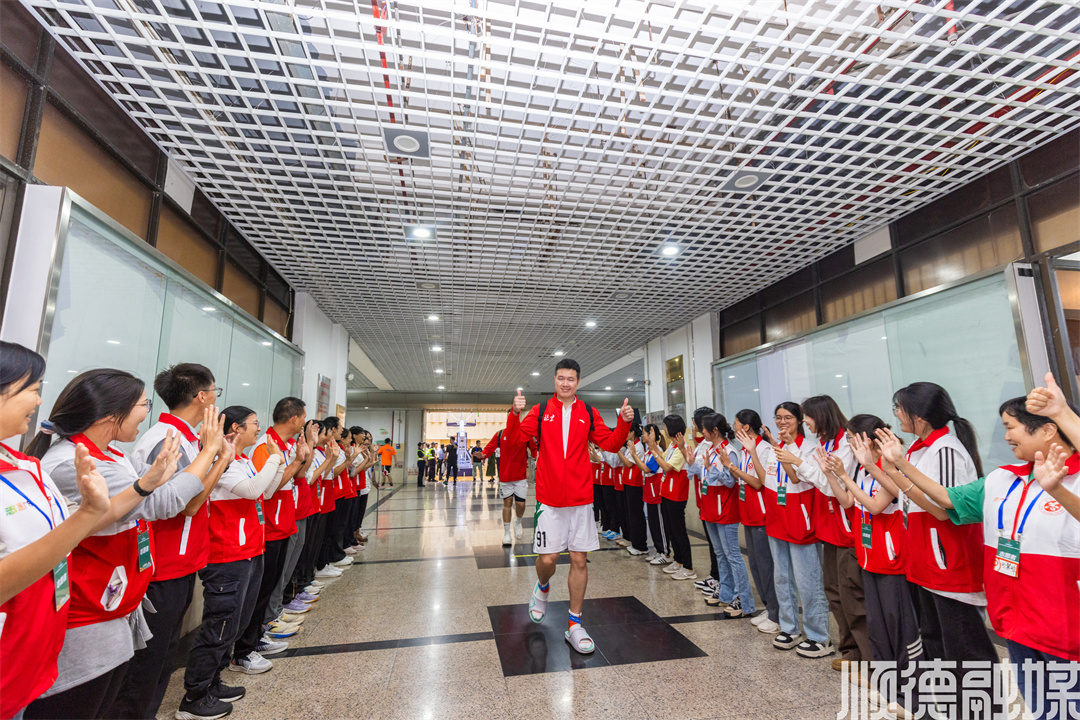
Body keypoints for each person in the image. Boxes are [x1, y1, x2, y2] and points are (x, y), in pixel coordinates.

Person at [25, 370, 223, 720]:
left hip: (118, 597)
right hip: (89, 608)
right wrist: (210, 453)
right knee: (101, 700)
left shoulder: (113, 454)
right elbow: (162, 502)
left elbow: (156, 492)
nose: (146, 411)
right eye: (142, 404)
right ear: (110, 414)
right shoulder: (75, 463)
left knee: (123, 690)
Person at [884, 384, 1079, 719]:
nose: (1005, 437)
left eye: (1010, 426)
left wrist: (1057, 486)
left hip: (1065, 629)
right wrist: (897, 467)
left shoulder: (1070, 482)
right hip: (1016, 622)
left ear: (1047, 429)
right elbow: (945, 500)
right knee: (1041, 708)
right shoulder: (1002, 479)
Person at [109, 364, 232, 720]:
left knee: (164, 656)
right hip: (162, 565)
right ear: (202, 397)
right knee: (148, 663)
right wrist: (218, 459)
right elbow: (188, 504)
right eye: (215, 393)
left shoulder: (190, 439)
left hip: (182, 560)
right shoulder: (165, 439)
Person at [0, 342, 113, 720]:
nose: (37, 401)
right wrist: (88, 514)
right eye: (30, 390)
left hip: (31, 655)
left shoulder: (25, 465)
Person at [505, 358, 633, 654]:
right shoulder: (539, 412)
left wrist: (625, 421)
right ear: (554, 380)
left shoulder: (588, 412)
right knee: (548, 560)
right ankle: (543, 587)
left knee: (578, 560)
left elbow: (611, 444)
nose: (566, 383)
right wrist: (515, 413)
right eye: (561, 378)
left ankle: (574, 624)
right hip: (550, 500)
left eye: (571, 379)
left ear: (578, 382)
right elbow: (513, 440)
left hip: (580, 499)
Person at [177, 406, 284, 720]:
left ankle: (214, 681)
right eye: (253, 424)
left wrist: (275, 464)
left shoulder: (240, 461)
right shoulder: (219, 462)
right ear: (235, 428)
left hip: (249, 550)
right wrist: (276, 459)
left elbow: (265, 490)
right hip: (226, 556)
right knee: (220, 624)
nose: (257, 429)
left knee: (234, 623)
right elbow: (252, 490)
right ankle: (194, 696)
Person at [885, 382, 997, 671]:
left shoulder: (945, 449)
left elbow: (945, 510)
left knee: (965, 651)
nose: (896, 414)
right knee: (935, 644)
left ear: (918, 417)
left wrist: (900, 469)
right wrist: (886, 469)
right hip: (926, 564)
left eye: (899, 408)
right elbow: (912, 498)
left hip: (949, 566)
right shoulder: (916, 450)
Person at [823, 414, 922, 714]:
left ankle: (910, 694)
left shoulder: (889, 465)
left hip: (892, 561)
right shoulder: (866, 469)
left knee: (900, 630)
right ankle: (887, 686)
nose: (848, 445)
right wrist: (832, 474)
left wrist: (853, 473)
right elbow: (849, 503)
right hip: (869, 556)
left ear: (866, 440)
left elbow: (877, 505)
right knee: (877, 627)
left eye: (852, 439)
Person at [795, 395, 871, 670]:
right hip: (829, 528)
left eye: (807, 416)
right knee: (834, 592)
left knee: (852, 596)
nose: (805, 422)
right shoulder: (824, 443)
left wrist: (800, 462)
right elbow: (809, 476)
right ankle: (851, 651)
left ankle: (867, 656)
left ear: (822, 415)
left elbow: (832, 488)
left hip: (847, 530)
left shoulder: (846, 445)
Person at [753, 401, 832, 658]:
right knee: (782, 577)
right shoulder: (778, 448)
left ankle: (819, 635)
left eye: (788, 417)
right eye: (778, 417)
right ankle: (789, 627)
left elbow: (797, 478)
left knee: (808, 581)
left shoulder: (809, 449)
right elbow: (768, 482)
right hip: (777, 519)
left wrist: (785, 449)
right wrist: (770, 450)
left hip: (800, 521)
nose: (782, 422)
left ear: (799, 420)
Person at [696, 413, 755, 618]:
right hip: (711, 505)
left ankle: (744, 600)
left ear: (715, 431)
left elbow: (731, 481)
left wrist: (715, 469)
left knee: (733, 556)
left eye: (705, 429)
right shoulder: (711, 449)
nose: (702, 432)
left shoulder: (729, 451)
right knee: (720, 554)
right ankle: (727, 592)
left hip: (726, 508)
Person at [730, 410, 781, 634]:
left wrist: (733, 468)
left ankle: (776, 614)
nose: (733, 427)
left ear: (747, 428)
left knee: (766, 566)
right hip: (748, 514)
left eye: (736, 423)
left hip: (762, 516)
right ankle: (769, 608)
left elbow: (760, 483)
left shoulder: (763, 449)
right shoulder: (745, 450)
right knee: (756, 566)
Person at [647, 415, 696, 581]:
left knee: (679, 531)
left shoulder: (683, 448)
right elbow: (662, 457)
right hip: (667, 492)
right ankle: (678, 560)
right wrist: (654, 448)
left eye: (666, 427)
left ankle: (688, 566)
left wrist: (655, 454)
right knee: (671, 530)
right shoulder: (673, 446)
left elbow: (666, 466)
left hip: (677, 494)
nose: (664, 430)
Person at [483, 424, 536, 546]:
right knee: (507, 503)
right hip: (505, 477)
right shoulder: (500, 434)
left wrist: (535, 456)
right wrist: (483, 454)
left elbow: (533, 448)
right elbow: (489, 448)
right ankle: (507, 534)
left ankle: (518, 520)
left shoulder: (525, 434)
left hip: (521, 477)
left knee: (520, 504)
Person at [619, 428, 649, 556]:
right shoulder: (631, 446)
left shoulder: (638, 446)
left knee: (636, 514)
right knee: (629, 513)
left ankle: (641, 545)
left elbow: (629, 464)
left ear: (632, 433)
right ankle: (634, 541)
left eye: (627, 432)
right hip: (628, 481)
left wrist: (617, 451)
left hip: (635, 483)